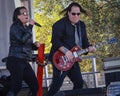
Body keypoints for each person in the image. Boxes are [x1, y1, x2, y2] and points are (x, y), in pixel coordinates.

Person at [47, 2, 96, 96]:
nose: (76, 16)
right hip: (60, 58)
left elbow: (85, 42)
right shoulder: (59, 24)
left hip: (73, 59)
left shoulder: (81, 25)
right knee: (57, 84)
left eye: (78, 14)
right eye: (73, 13)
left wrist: (90, 48)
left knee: (79, 83)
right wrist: (66, 51)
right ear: (68, 13)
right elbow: (55, 41)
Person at [6, 6, 40, 96]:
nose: (27, 15)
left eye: (27, 13)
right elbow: (21, 40)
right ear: (18, 16)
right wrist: (31, 26)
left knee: (35, 86)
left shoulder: (25, 28)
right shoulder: (15, 27)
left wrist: (35, 46)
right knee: (17, 86)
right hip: (15, 60)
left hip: (24, 61)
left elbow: (26, 45)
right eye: (24, 13)